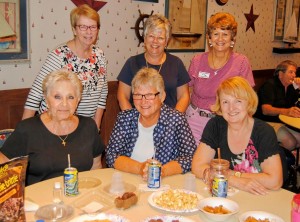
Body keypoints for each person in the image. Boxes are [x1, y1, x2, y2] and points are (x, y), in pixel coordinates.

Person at [0, 69, 105, 186]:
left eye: (70, 97)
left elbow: (96, 166)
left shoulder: (88, 126)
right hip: (39, 201)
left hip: (79, 198)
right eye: (57, 97)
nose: (64, 104)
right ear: (46, 99)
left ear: (78, 100)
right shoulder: (27, 129)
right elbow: (3, 160)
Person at [192, 76, 283, 195]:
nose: (231, 108)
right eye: (225, 102)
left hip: (259, 197)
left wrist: (232, 174)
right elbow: (197, 166)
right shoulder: (216, 125)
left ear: (249, 102)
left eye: (238, 101)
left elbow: (275, 181)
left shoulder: (264, 131)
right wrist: (234, 180)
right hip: (227, 194)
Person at [22, 4, 107, 130]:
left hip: (84, 127)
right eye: (83, 27)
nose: (89, 32)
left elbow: (102, 94)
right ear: (74, 30)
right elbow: (36, 94)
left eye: (93, 27)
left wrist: (96, 126)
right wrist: (23, 133)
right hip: (55, 126)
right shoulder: (59, 55)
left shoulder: (99, 55)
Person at [106, 67, 196, 179]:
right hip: (129, 181)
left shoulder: (176, 120)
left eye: (149, 95)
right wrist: (140, 168)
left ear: (162, 96)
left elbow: (191, 157)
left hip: (164, 184)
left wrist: (162, 171)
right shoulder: (125, 118)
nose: (143, 101)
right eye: (138, 95)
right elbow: (111, 156)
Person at [186, 12, 255, 144]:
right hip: (194, 121)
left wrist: (245, 128)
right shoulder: (197, 60)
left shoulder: (241, 62)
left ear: (232, 38)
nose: (220, 39)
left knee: (219, 162)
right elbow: (186, 91)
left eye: (225, 34)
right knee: (194, 161)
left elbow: (248, 98)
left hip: (226, 122)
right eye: (216, 34)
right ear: (209, 38)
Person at [117, 14, 190, 113]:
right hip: (137, 121)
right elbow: (122, 96)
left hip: (169, 122)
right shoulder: (132, 63)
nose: (155, 41)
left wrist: (173, 120)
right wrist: (132, 120)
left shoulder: (176, 63)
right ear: (145, 38)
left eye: (160, 38)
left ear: (166, 41)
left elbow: (184, 96)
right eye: (151, 36)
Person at [255, 60, 300, 151]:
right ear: (280, 74)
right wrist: (286, 111)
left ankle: (289, 162)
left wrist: (299, 88)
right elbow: (265, 110)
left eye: (295, 72)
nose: (294, 75)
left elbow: (297, 105)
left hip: (282, 123)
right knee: (290, 143)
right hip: (265, 122)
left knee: (299, 139)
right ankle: (274, 160)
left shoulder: (291, 87)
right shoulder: (270, 85)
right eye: (290, 72)